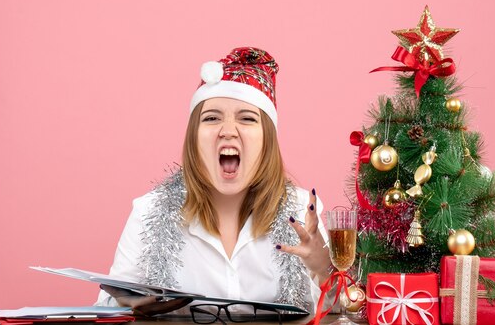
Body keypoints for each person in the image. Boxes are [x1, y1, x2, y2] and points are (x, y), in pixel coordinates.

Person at [96, 47, 332, 316]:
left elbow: (343, 311)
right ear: (194, 139)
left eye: (246, 119)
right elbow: (105, 310)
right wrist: (129, 305)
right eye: (211, 118)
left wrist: (324, 270)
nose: (228, 131)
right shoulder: (149, 212)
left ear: (267, 140)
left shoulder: (302, 211)